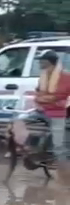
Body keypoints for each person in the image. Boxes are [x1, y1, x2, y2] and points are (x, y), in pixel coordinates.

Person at [33, 50, 70, 185]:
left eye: (42, 60)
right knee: (17, 121)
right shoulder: (42, 77)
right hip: (41, 110)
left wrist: (50, 100)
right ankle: (25, 152)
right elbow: (37, 95)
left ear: (50, 62)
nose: (40, 63)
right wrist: (45, 100)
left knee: (59, 147)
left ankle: (65, 177)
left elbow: (60, 98)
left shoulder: (66, 77)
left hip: (57, 114)